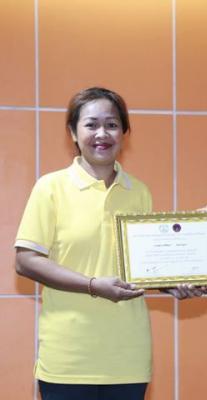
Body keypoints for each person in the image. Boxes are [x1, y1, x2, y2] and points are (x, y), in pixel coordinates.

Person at [15, 87, 152, 400]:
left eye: (112, 125)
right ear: (73, 133)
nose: (102, 134)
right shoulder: (50, 188)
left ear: (124, 133)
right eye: (91, 125)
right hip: (68, 359)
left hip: (128, 358)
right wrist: (92, 285)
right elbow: (25, 260)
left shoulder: (139, 192)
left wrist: (177, 282)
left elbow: (145, 266)